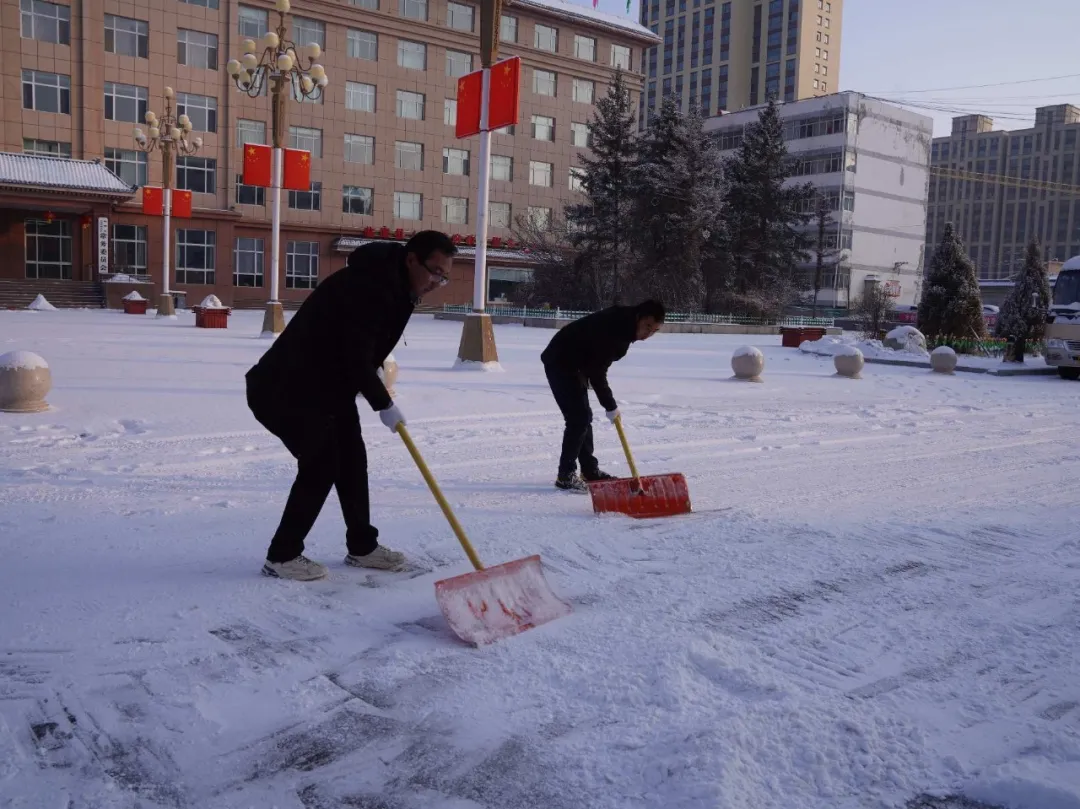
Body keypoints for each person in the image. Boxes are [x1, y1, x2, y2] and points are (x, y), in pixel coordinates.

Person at [245, 230, 458, 581]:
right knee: (323, 462)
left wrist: (372, 381)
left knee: (352, 461)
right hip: (285, 388)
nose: (437, 282)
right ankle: (282, 555)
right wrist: (382, 402)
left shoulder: (397, 287)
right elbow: (353, 353)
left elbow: (361, 349)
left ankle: (362, 546)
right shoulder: (370, 287)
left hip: (328, 387)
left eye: (445, 276)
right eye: (435, 271)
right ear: (411, 260)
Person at [540, 299, 666, 491]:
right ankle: (565, 475)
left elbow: (595, 366)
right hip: (561, 360)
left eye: (654, 331)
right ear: (639, 317)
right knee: (578, 419)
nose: (648, 334)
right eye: (647, 326)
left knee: (583, 417)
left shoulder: (625, 327)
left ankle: (589, 470)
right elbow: (597, 372)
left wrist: (608, 404)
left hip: (576, 363)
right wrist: (610, 405)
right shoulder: (615, 330)